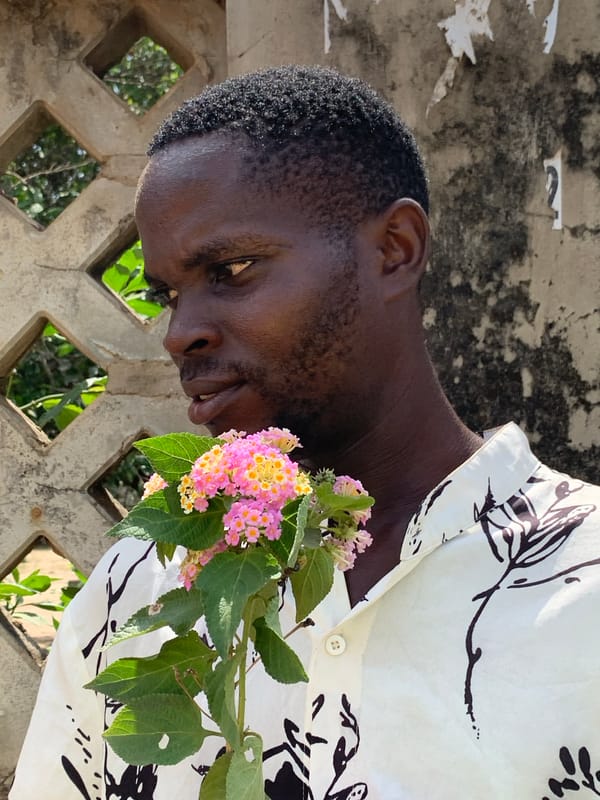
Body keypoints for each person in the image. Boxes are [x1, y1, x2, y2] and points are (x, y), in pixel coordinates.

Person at [10, 65, 600, 800]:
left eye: (232, 268)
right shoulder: (140, 587)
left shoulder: (582, 588)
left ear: (395, 249)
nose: (179, 333)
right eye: (168, 295)